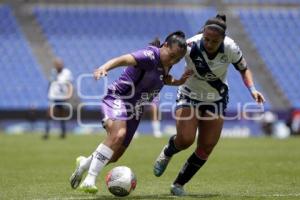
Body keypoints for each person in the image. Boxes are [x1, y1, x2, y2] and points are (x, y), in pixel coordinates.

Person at [153, 14, 265, 196]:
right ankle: (168, 151)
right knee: (186, 140)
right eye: (206, 39)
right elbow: (168, 58)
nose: (209, 43)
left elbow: (244, 69)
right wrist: (166, 76)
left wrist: (252, 89)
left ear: (222, 39)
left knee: (206, 146)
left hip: (216, 98)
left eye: (214, 41)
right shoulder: (189, 45)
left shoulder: (231, 47)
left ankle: (178, 184)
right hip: (190, 94)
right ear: (202, 34)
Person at [69, 31, 193, 194]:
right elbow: (123, 59)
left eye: (177, 59)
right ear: (165, 46)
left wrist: (178, 82)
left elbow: (163, 79)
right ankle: (90, 179)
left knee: (115, 154)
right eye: (172, 56)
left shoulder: (167, 63)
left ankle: (84, 164)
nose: (173, 61)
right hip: (118, 98)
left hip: (135, 110)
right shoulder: (149, 55)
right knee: (118, 134)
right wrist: (104, 68)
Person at [44, 58, 73, 139]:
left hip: (62, 97)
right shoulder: (53, 72)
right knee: (48, 115)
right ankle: (46, 133)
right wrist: (49, 93)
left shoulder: (67, 73)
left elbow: (69, 84)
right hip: (54, 97)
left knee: (62, 116)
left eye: (59, 64)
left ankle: (63, 133)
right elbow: (51, 83)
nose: (58, 65)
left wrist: (69, 94)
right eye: (57, 64)